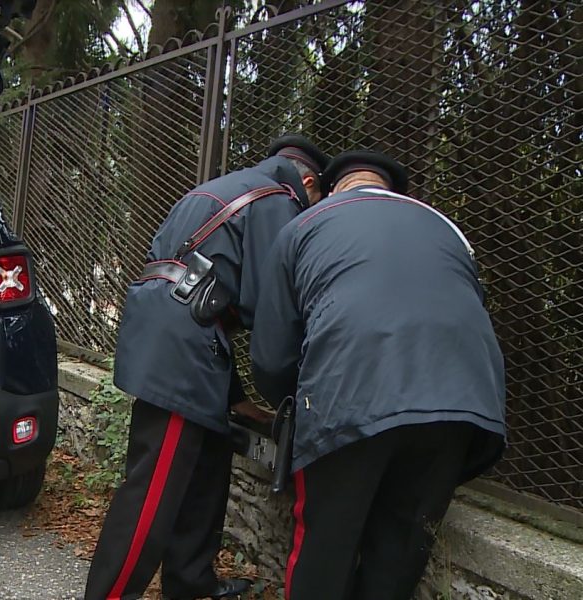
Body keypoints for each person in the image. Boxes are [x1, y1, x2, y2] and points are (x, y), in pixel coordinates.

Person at [249, 150, 506, 600]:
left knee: (323, 552)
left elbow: (272, 354)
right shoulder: (444, 227)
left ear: (331, 189)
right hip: (461, 401)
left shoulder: (305, 224)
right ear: (394, 194)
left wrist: (294, 407)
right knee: (398, 554)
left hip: (347, 392)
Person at [83, 135, 330, 600]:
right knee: (154, 485)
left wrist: (233, 397)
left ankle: (192, 583)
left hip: (174, 331)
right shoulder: (278, 199)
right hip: (184, 343)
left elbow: (207, 282)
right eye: (317, 200)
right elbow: (264, 306)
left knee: (207, 462)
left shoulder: (224, 186)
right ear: (309, 181)